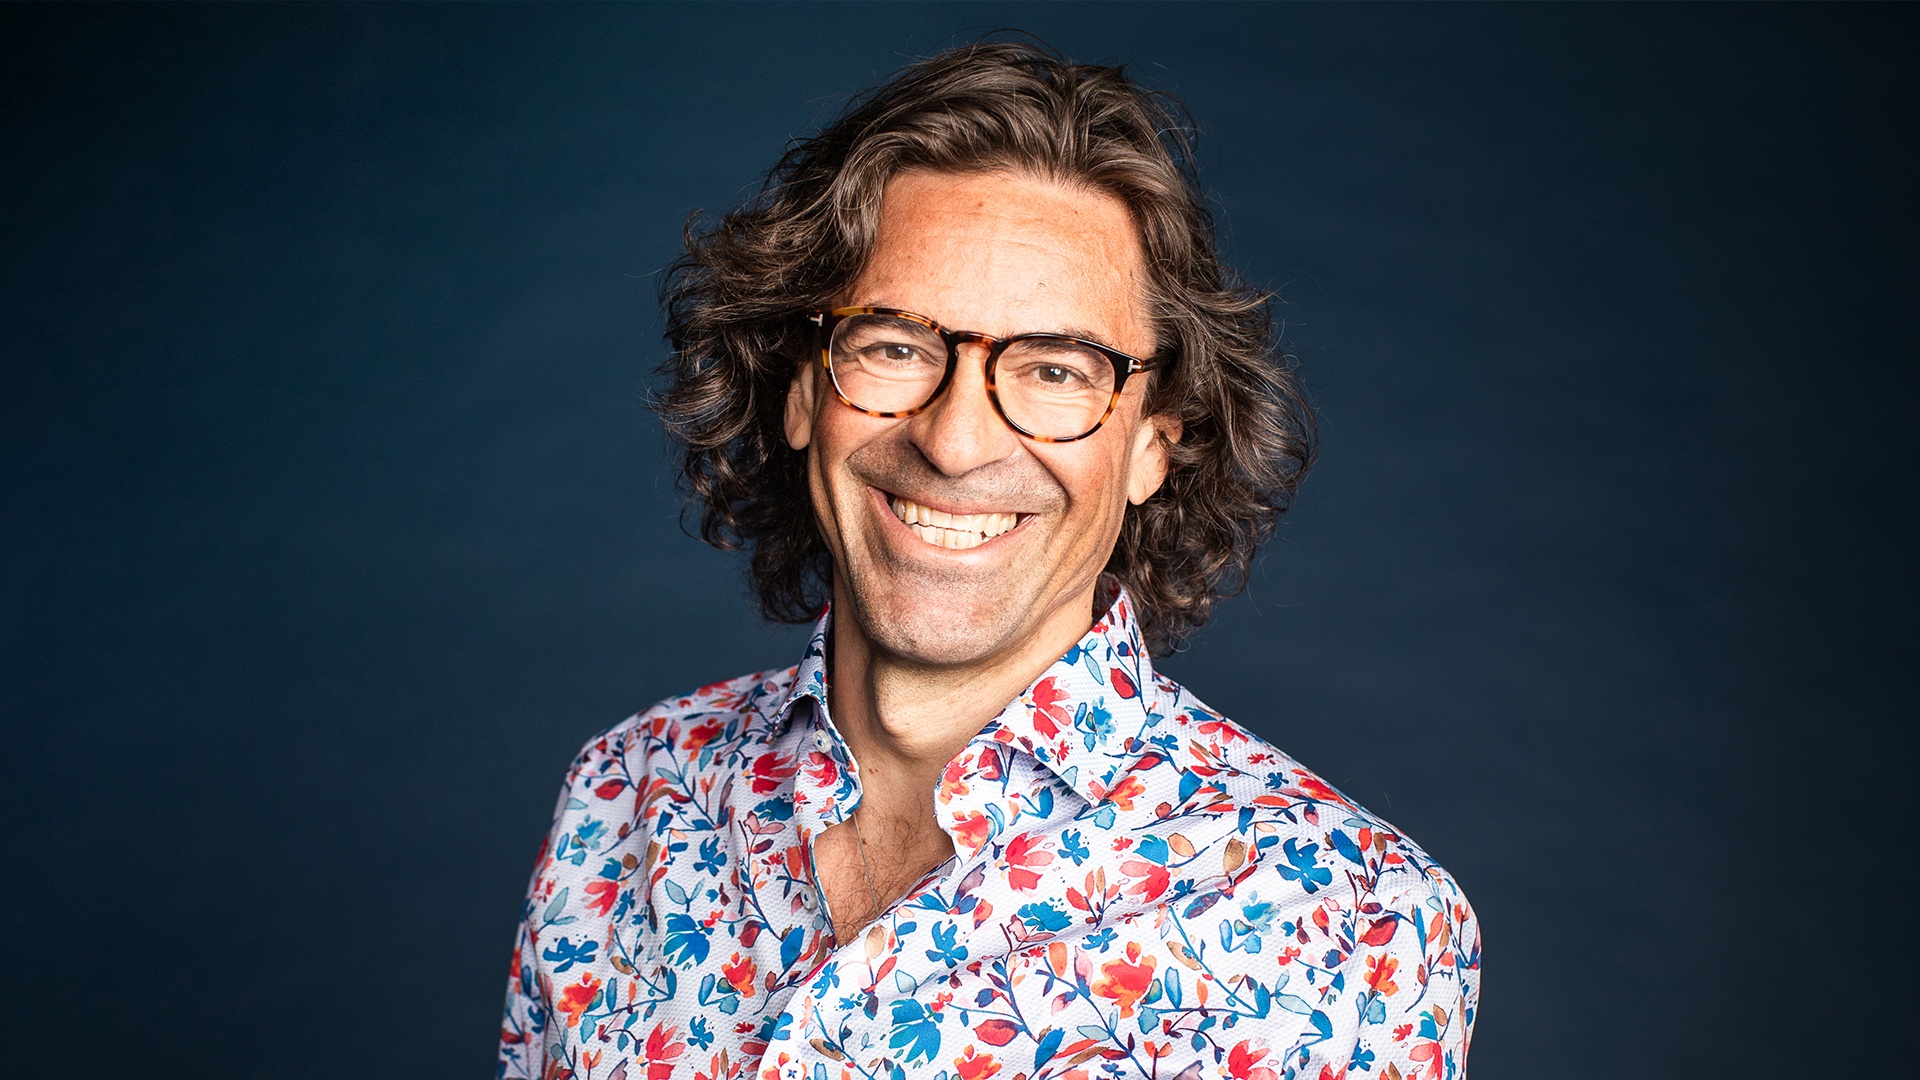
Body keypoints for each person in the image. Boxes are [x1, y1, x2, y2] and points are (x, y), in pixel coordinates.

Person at [499, 40, 1479, 1080]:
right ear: (801, 391)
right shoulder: (625, 798)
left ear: (1154, 443)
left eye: (1056, 370)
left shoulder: (1355, 929)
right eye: (894, 345)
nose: (956, 442)